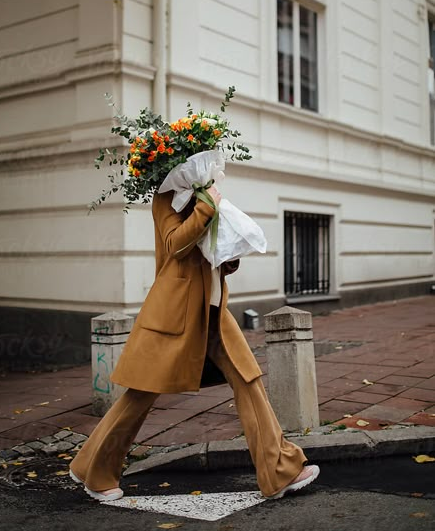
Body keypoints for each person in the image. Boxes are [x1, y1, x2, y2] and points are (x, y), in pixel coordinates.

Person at [69, 185, 320, 502]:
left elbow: (205, 249)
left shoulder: (201, 191)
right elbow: (174, 244)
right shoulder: (165, 198)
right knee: (141, 394)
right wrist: (206, 207)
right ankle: (95, 469)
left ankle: (280, 470)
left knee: (248, 378)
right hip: (177, 311)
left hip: (213, 310)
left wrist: (227, 259)